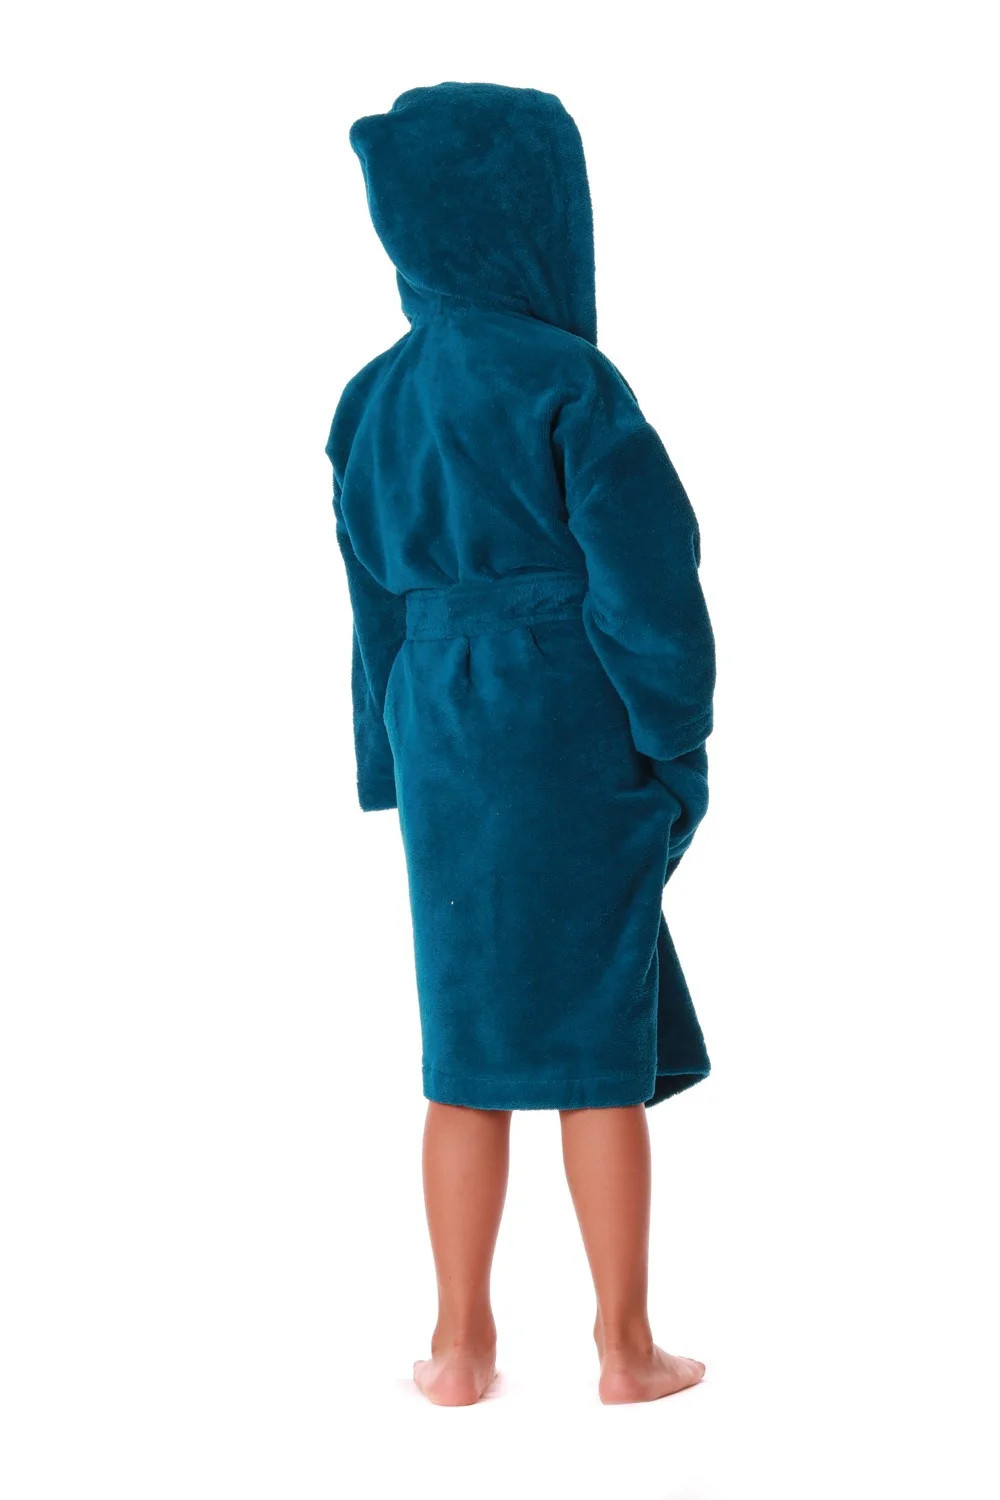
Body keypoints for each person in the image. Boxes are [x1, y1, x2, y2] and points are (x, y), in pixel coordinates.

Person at [327, 82, 716, 1406]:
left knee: (467, 1041)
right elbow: (648, 583)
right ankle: (624, 1350)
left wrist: (388, 763)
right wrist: (673, 740)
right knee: (597, 1036)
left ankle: (459, 1350)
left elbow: (373, 609)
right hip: (564, 717)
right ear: (536, 211)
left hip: (439, 728)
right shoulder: (568, 380)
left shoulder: (371, 400)